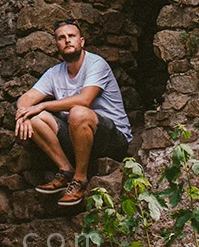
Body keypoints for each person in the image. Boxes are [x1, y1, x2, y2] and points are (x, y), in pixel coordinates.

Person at [14, 20, 132, 210]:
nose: (67, 41)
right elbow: (27, 98)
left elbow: (84, 100)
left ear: (81, 41)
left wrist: (41, 105)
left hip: (113, 140)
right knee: (35, 119)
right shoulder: (54, 73)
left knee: (77, 111)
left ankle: (80, 179)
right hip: (78, 138)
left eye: (72, 36)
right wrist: (22, 115)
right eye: (62, 38)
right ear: (57, 45)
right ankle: (66, 170)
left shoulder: (96, 64)